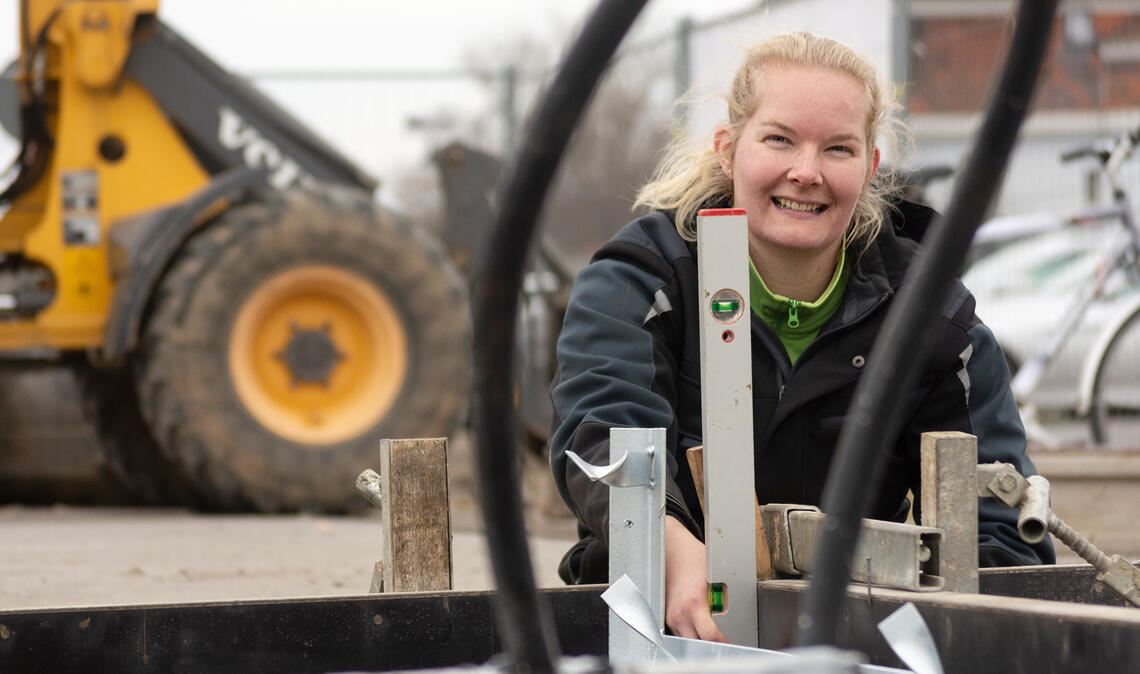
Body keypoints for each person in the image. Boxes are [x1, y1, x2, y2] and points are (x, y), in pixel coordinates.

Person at [547, 32, 1055, 642]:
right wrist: (668, 549)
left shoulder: (934, 323)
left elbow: (1000, 534)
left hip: (856, 640)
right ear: (728, 148)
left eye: (837, 148)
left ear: (869, 167)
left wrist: (942, 632)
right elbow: (601, 425)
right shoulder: (642, 282)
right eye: (779, 139)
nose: (806, 172)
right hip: (652, 630)